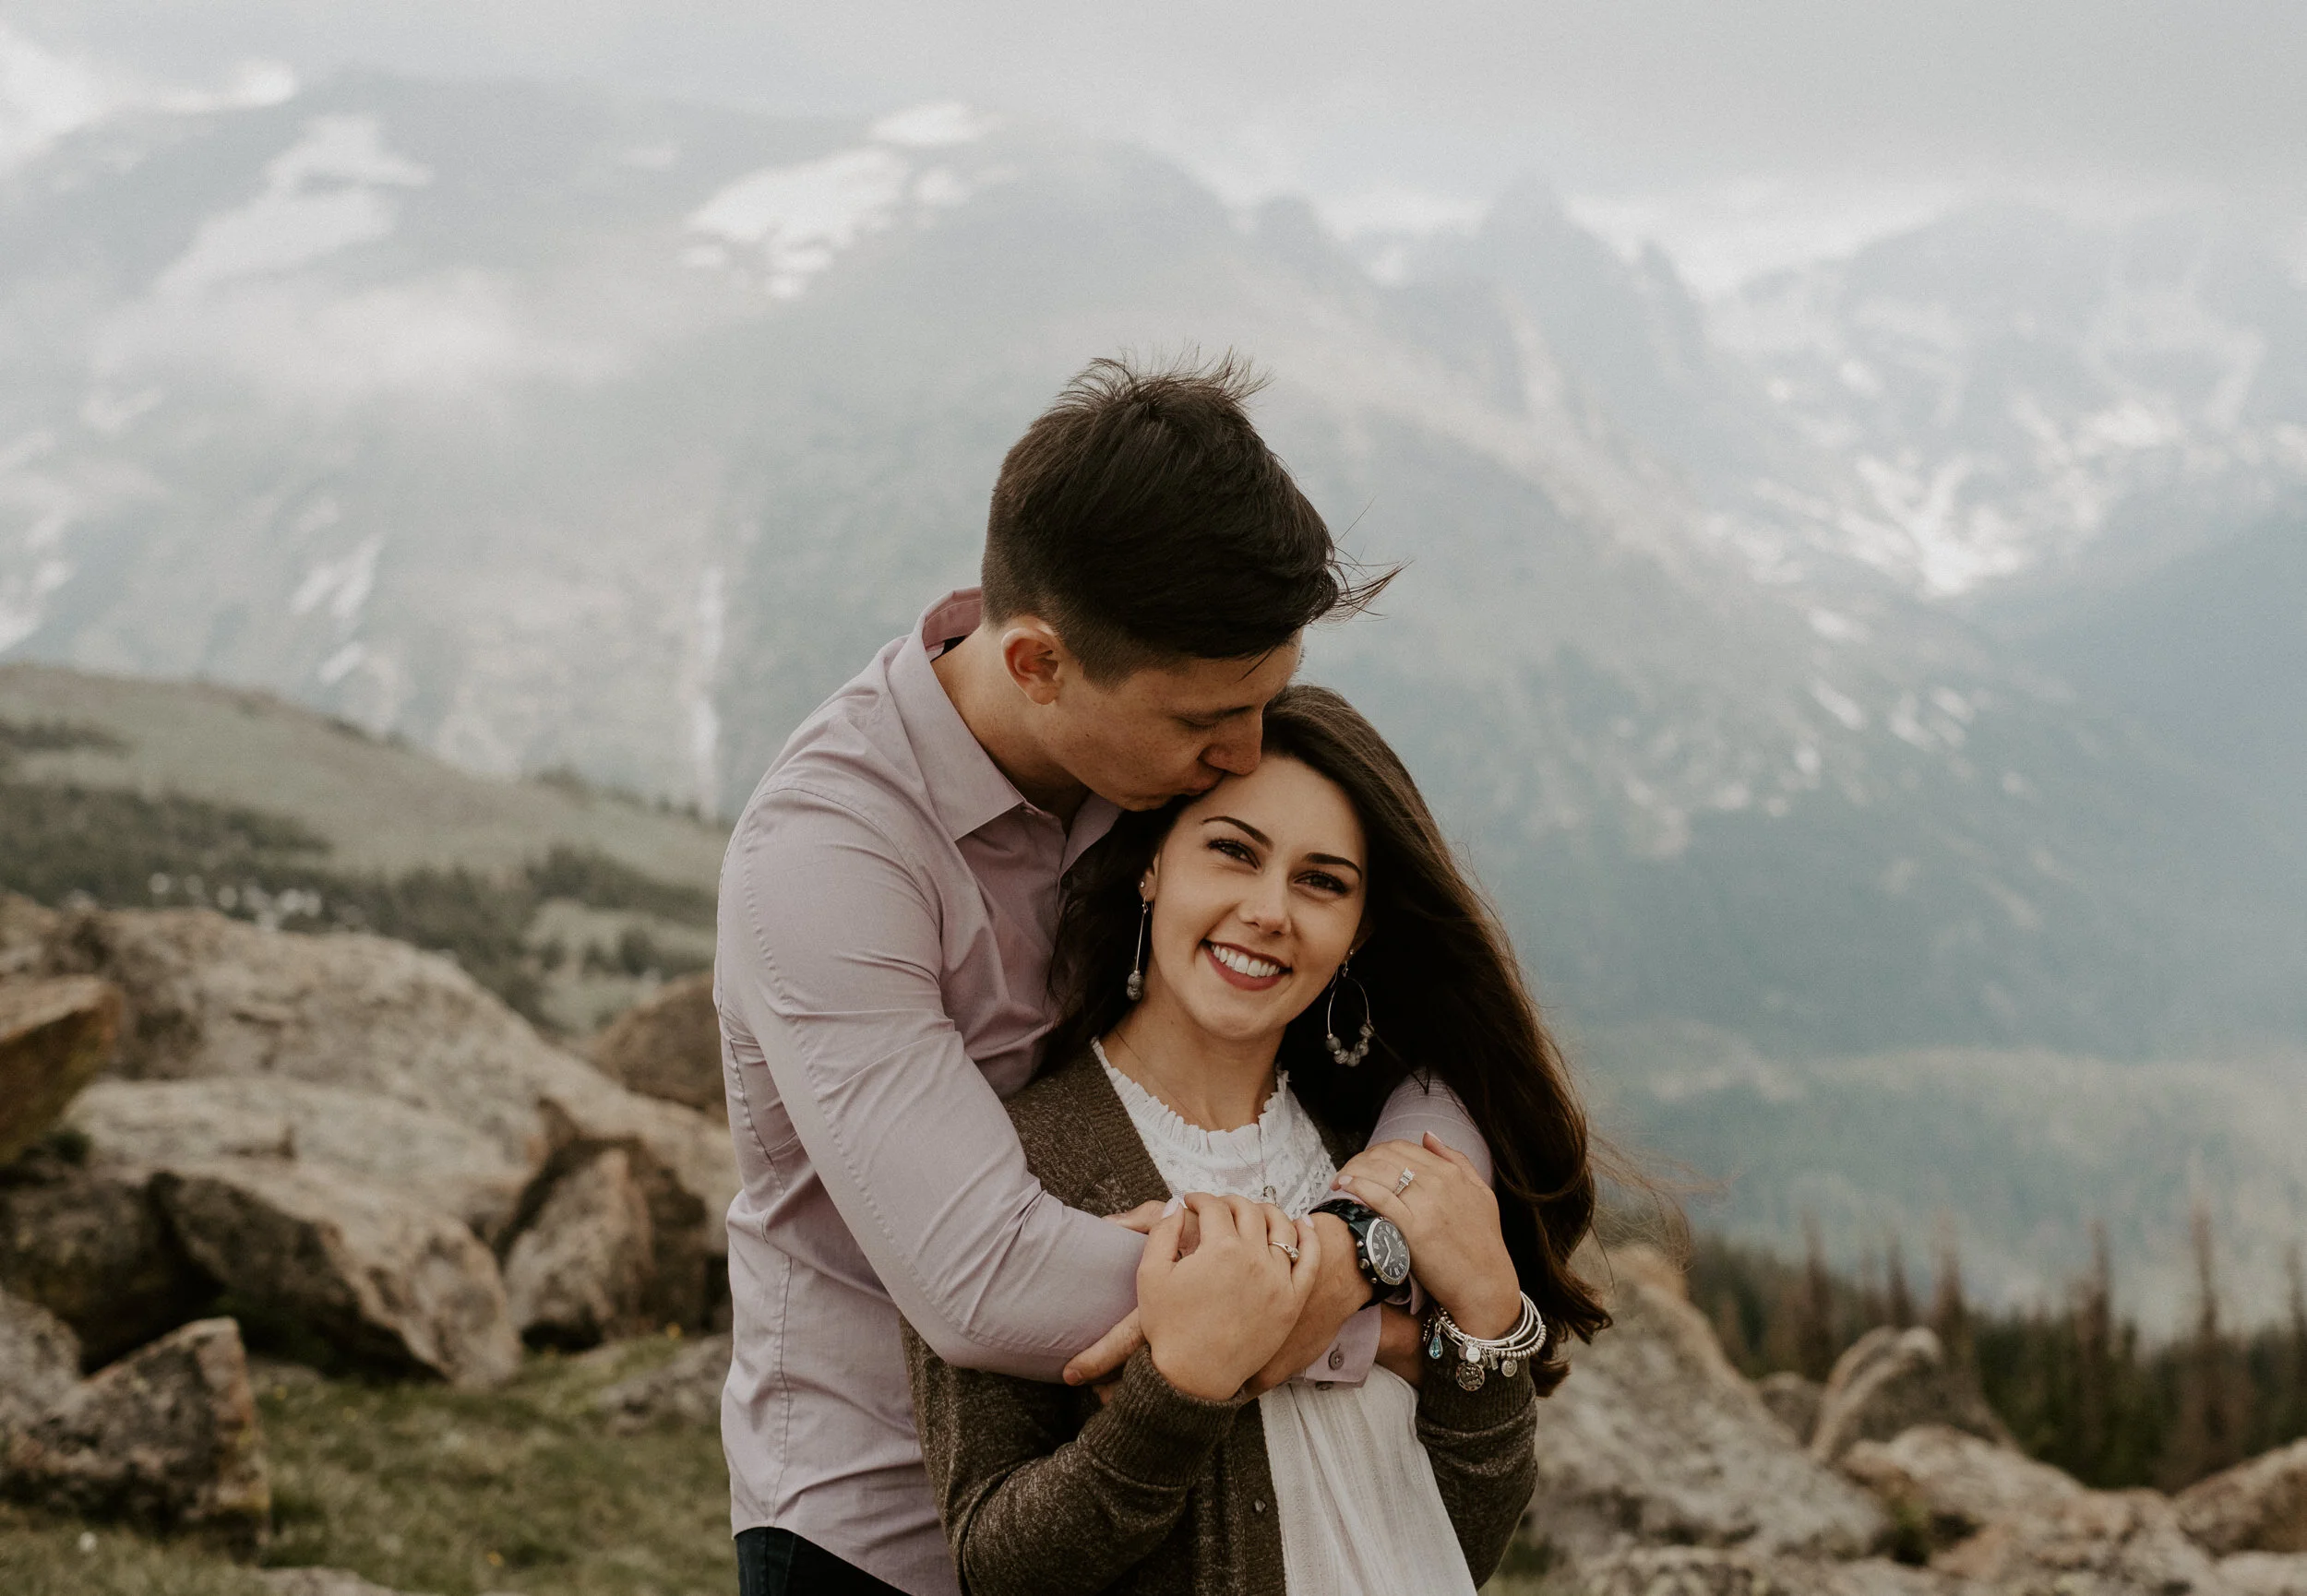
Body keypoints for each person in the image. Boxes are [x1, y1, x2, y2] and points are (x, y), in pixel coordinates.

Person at [714, 355, 1496, 1594]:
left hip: (1164, 1509)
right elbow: (988, 1282)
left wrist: (1358, 1243)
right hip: (880, 1532)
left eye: (1265, 700)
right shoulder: (826, 865)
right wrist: (1372, 1318)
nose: (1245, 752)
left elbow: (1446, 1060)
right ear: (1038, 665)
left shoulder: (1154, 770)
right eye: (1206, 720)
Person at [902, 685, 1608, 1594]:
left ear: (1356, 930)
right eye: (1233, 852)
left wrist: (1487, 1323)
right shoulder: (1016, 1163)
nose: (1270, 909)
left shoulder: (1381, 1164)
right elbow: (997, 1561)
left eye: (1321, 880)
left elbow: (1455, 1541)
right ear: (1152, 865)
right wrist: (1181, 1390)